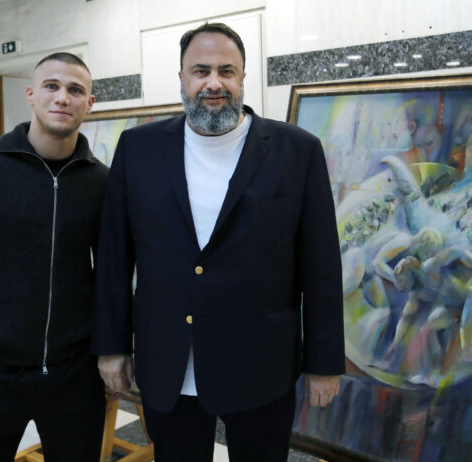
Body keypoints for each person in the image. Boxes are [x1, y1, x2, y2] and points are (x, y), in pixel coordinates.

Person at [92, 23, 345, 462]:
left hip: (261, 362)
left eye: (227, 71)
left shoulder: (297, 150)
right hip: (168, 361)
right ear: (182, 78)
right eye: (201, 71)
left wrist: (323, 362)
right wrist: (112, 347)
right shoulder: (138, 148)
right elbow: (115, 257)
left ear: (243, 77)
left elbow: (320, 264)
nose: (214, 83)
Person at [0, 52, 109, 461]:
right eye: (52, 86)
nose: (62, 97)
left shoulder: (102, 182)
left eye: (75, 90)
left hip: (75, 374)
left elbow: (112, 275)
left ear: (89, 104)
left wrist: (114, 350)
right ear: (31, 94)